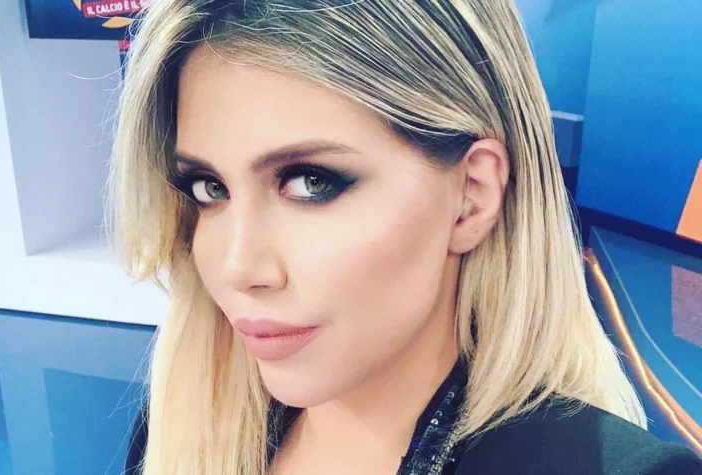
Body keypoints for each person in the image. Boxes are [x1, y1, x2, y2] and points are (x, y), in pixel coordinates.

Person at [109, 1, 702, 474]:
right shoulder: (181, 424)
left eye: (311, 182)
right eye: (210, 188)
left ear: (472, 196)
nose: (238, 267)